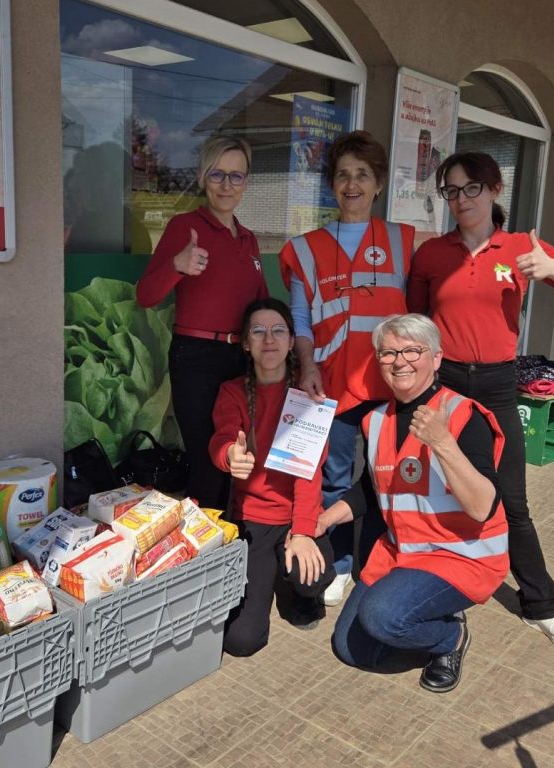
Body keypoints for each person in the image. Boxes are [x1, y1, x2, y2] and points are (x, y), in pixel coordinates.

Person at [407, 151, 554, 655]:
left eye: (471, 187)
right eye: (451, 190)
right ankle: (442, 595)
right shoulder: (431, 254)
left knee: (511, 499)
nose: (461, 199)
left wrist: (552, 267)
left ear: (494, 189)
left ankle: (542, 606)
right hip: (445, 384)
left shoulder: (519, 247)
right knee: (441, 490)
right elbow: (415, 322)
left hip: (497, 385)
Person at [322, 313, 508, 692]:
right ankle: (422, 611)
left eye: (412, 351)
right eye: (388, 353)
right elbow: (370, 490)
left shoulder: (462, 415)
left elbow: (482, 507)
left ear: (436, 358)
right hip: (402, 553)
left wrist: (442, 443)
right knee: (351, 649)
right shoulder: (375, 421)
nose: (399, 361)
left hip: (460, 556)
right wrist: (322, 520)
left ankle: (449, 638)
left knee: (383, 617)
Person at [279, 130, 414, 607]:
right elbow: (300, 318)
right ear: (332, 185)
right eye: (342, 175)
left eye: (362, 175)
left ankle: (378, 561)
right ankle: (337, 564)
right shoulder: (306, 247)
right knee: (334, 477)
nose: (352, 185)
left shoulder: (404, 241)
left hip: (391, 384)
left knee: (386, 479)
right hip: (330, 383)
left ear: (379, 184)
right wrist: (307, 365)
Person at [137, 136, 268, 510]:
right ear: (201, 177)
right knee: (207, 461)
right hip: (197, 359)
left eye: (236, 176)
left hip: (241, 360)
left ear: (246, 182)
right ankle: (209, 539)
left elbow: (261, 304)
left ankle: (233, 534)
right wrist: (177, 266)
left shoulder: (249, 239)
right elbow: (145, 295)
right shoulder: (185, 227)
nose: (227, 185)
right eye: (217, 174)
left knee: (238, 454)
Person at [209, 298, 336, 656]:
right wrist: (229, 455)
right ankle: (275, 572)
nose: (269, 339)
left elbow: (309, 474)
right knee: (241, 641)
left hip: (296, 516)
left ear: (292, 341)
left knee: (311, 577)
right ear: (245, 343)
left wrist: (304, 532)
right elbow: (222, 439)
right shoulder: (232, 391)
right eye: (258, 331)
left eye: (279, 330)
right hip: (252, 522)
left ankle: (299, 592)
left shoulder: (307, 394)